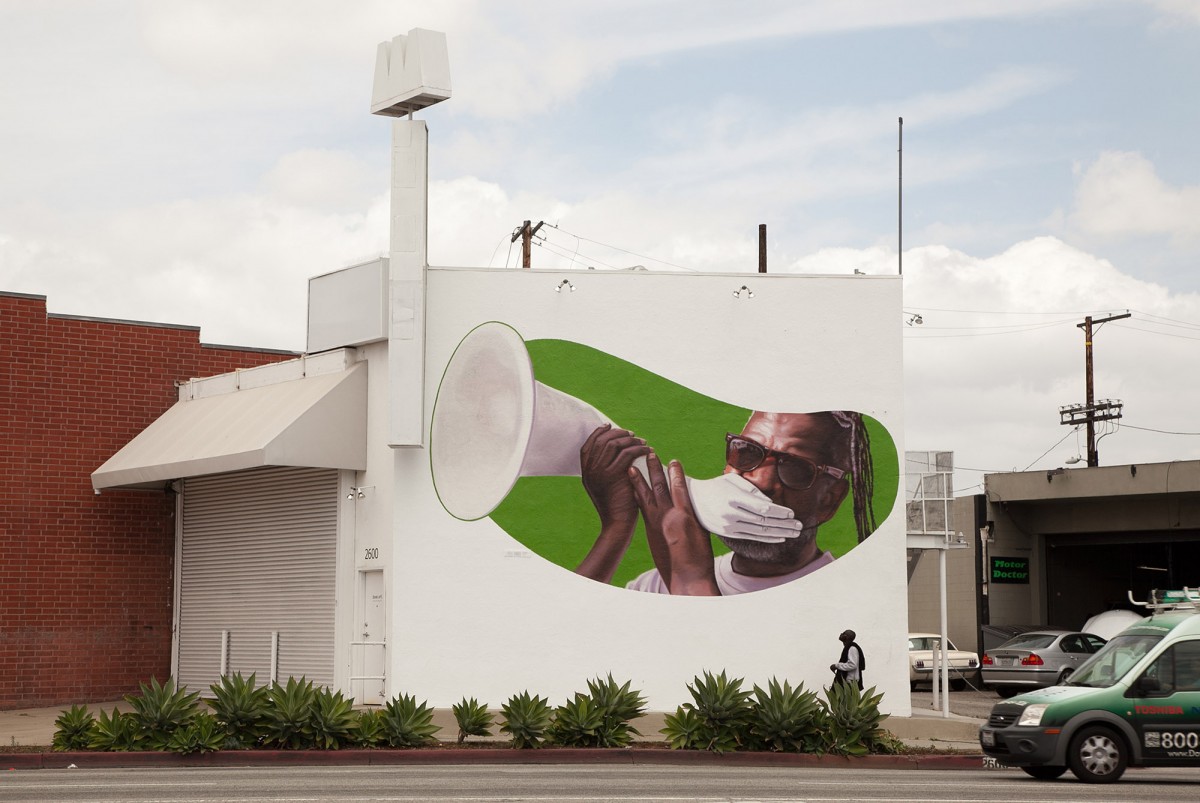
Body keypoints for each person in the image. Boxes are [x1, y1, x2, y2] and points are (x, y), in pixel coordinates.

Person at [575, 410, 877, 595]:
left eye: (796, 468)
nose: (760, 480)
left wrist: (690, 578)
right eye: (746, 452)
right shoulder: (652, 585)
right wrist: (616, 529)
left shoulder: (841, 594)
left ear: (830, 501)